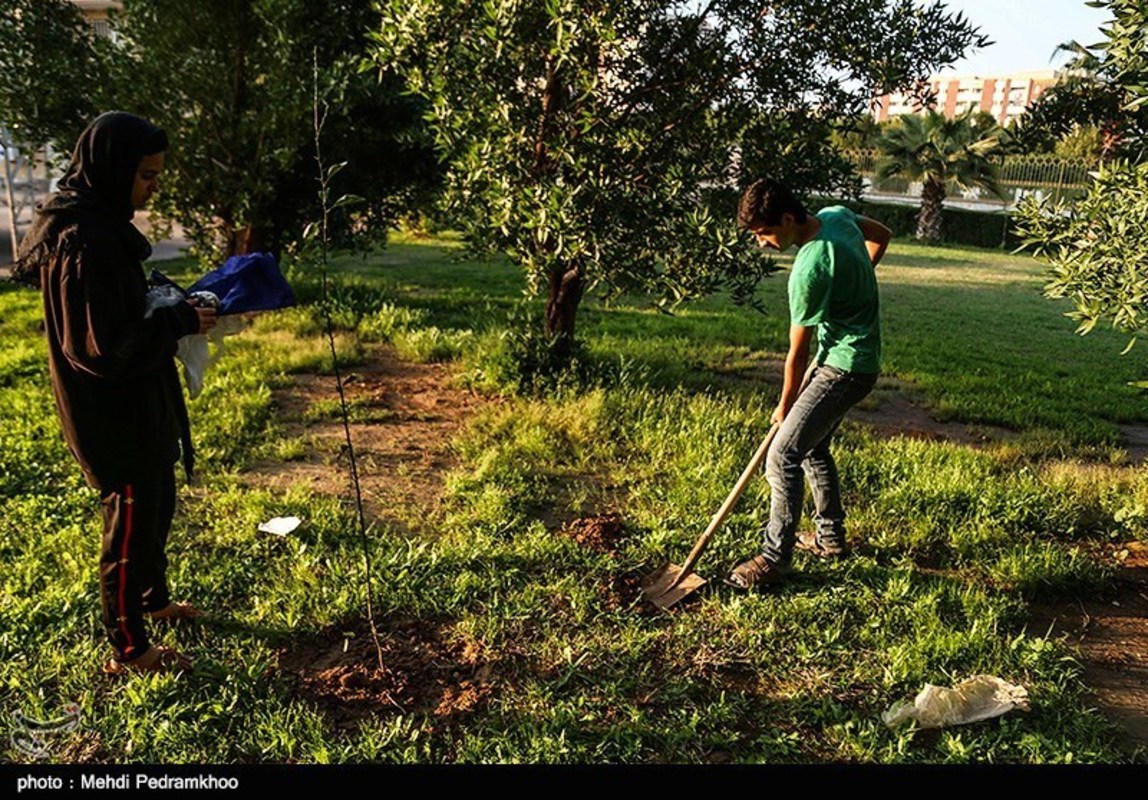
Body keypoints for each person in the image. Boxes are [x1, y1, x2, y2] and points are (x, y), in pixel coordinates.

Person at [12, 112, 217, 672]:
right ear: (113, 169)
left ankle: (154, 600)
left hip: (141, 403)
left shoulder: (100, 227)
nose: (154, 186)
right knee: (128, 525)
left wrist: (169, 305)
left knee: (156, 508)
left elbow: (119, 315)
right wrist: (178, 324)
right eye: (147, 175)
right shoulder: (83, 242)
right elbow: (99, 350)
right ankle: (130, 647)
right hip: (111, 416)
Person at [726, 178, 891, 591]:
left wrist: (785, 406)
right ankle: (830, 539)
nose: (761, 243)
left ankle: (773, 559)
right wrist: (858, 280)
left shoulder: (809, 269)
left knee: (782, 456)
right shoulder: (837, 216)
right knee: (812, 446)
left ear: (787, 219)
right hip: (859, 360)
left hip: (844, 368)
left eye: (764, 233)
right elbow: (882, 236)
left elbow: (796, 354)